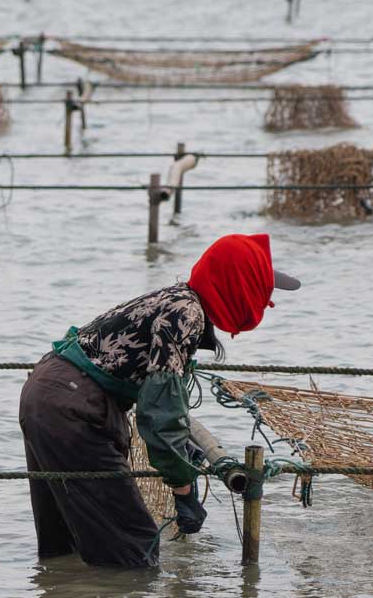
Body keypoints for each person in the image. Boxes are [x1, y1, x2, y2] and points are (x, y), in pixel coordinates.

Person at [18, 234, 300, 568]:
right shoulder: (186, 314)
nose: (267, 301)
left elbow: (156, 398)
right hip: (73, 409)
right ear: (238, 285)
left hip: (47, 395)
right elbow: (159, 416)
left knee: (64, 545)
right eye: (262, 289)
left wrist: (187, 454)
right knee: (134, 550)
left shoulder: (177, 299)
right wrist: (184, 491)